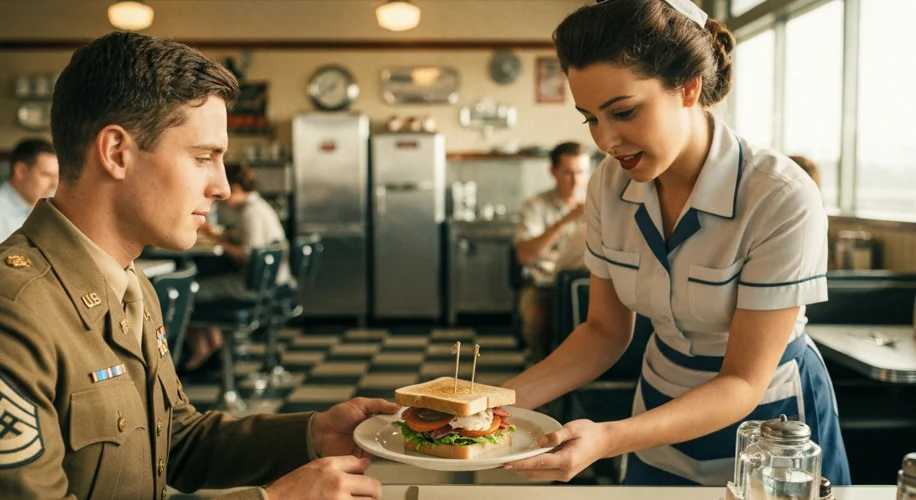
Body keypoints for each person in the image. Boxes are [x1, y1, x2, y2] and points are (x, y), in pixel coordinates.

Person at [0, 31, 398, 500]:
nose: (223, 187)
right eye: (203, 157)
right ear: (116, 153)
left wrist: (308, 435)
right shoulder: (16, 312)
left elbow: (174, 439)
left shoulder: (132, 286)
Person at [502, 0, 850, 487]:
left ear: (688, 88)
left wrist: (608, 438)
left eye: (622, 112)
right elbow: (603, 331)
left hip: (771, 427)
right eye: (590, 119)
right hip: (657, 415)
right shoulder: (609, 185)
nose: (606, 140)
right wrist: (488, 404)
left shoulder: (779, 195)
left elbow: (742, 381)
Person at [183, 162, 295, 370]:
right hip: (270, 282)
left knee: (191, 289)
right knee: (207, 278)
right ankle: (213, 346)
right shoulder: (257, 207)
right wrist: (217, 235)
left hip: (254, 286)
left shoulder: (251, 213)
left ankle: (204, 349)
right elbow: (241, 237)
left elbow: (246, 255)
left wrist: (220, 243)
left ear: (234, 188)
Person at [514, 141, 590, 360]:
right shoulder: (535, 205)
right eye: (568, 173)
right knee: (536, 319)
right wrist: (566, 220)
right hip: (544, 283)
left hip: (587, 280)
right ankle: (539, 365)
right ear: (553, 172)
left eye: (581, 172)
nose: (576, 181)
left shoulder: (598, 202)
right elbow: (525, 255)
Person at [0, 138, 58, 241]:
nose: (54, 184)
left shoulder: (49, 209)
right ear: (21, 171)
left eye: (57, 176)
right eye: (46, 175)